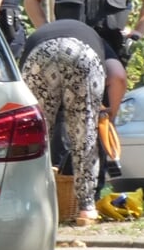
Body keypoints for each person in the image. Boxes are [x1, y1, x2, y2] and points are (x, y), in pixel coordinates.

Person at [20, 20, 109, 227]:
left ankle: (30, 204)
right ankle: (86, 208)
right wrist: (106, 116)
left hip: (40, 54)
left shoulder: (41, 32)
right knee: (84, 132)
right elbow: (120, 77)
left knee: (34, 132)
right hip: (82, 55)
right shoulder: (100, 42)